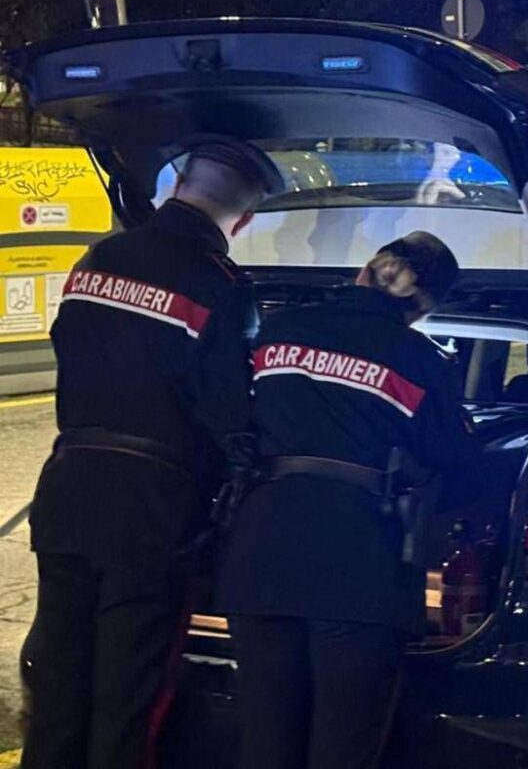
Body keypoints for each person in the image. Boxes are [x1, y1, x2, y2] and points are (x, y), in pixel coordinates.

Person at [22, 137, 283, 769]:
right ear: (244, 219)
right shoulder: (219, 285)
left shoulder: (100, 257)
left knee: (58, 684)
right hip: (151, 514)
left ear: (178, 184)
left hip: (67, 494)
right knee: (128, 697)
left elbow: (70, 346)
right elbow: (228, 414)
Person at [216, 231, 482, 769]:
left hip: (262, 557)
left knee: (266, 742)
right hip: (358, 566)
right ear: (424, 305)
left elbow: (234, 421)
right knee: (342, 748)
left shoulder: (279, 330)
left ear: (365, 270)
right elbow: (459, 465)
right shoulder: (420, 360)